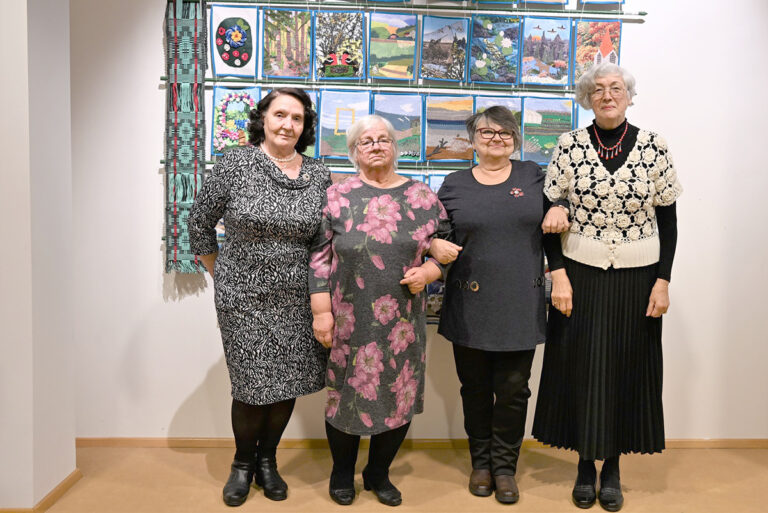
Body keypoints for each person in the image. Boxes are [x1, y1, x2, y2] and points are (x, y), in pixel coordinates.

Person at [532, 63, 683, 512]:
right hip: (579, 275)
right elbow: (549, 217)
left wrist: (663, 281)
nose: (607, 95)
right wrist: (558, 273)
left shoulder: (654, 146)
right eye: (597, 89)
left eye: (616, 88)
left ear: (629, 96)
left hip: (638, 277)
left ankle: (612, 466)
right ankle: (584, 464)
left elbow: (669, 222)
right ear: (587, 99)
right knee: (578, 366)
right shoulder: (569, 145)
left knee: (627, 368)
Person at [188, 88, 330, 507]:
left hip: (298, 297)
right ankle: (241, 464)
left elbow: (323, 242)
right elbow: (199, 223)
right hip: (243, 298)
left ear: (305, 126)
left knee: (286, 383)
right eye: (280, 114)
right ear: (263, 118)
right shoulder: (235, 162)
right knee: (251, 385)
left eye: (297, 118)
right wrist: (221, 275)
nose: (288, 124)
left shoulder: (319, 173)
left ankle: (268, 461)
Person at [429, 106, 570, 504]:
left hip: (520, 302)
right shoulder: (453, 184)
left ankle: (505, 468)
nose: (496, 138)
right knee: (474, 389)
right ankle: (481, 463)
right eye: (487, 132)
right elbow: (436, 232)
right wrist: (432, 243)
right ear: (472, 140)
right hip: (469, 304)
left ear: (516, 139)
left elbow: (558, 216)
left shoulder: (534, 176)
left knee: (513, 391)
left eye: (505, 132)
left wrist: (560, 206)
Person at [308, 115, 449, 507]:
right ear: (354, 151)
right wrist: (321, 311)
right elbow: (318, 258)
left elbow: (448, 246)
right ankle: (342, 473)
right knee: (343, 396)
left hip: (402, 323)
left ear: (395, 148)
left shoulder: (421, 196)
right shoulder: (337, 195)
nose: (376, 146)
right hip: (347, 319)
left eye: (384, 139)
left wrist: (431, 269)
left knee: (397, 394)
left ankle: (377, 473)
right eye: (366, 141)